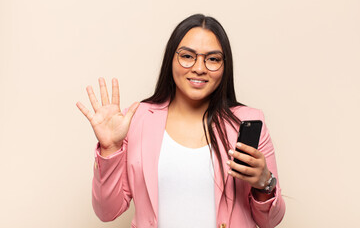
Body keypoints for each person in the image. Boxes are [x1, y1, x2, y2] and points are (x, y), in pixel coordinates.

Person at [76, 14, 285, 228]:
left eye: (212, 59)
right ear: (171, 59)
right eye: (187, 56)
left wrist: (264, 185)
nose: (199, 68)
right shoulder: (136, 119)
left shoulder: (246, 121)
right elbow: (106, 212)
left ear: (225, 66)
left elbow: (270, 221)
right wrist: (110, 149)